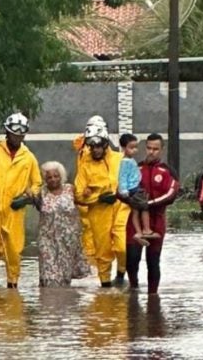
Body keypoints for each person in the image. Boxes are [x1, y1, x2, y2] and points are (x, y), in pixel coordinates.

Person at [0, 112, 42, 288]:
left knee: (13, 251)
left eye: (20, 134)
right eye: (14, 133)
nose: (17, 137)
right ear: (7, 132)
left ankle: (13, 288)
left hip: (14, 211)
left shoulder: (29, 158)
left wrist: (26, 198)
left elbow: (36, 183)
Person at [74, 124, 130, 288]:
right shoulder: (85, 166)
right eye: (92, 146)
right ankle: (105, 287)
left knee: (122, 246)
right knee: (102, 252)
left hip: (121, 209)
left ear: (106, 144)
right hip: (98, 214)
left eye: (99, 146)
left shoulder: (120, 159)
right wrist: (98, 198)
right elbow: (78, 194)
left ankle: (121, 275)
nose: (96, 150)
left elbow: (133, 181)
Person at [125, 133, 180, 295]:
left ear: (161, 150)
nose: (151, 152)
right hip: (134, 220)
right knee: (132, 259)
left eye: (155, 149)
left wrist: (149, 204)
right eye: (149, 148)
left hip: (157, 220)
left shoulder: (167, 171)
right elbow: (121, 189)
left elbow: (172, 193)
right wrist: (132, 201)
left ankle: (153, 296)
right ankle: (133, 289)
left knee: (153, 260)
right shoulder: (135, 168)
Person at [37, 161, 90, 287]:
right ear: (45, 178)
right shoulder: (41, 192)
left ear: (61, 176)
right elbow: (25, 195)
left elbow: (83, 201)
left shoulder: (70, 189)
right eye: (49, 177)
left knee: (64, 275)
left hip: (68, 240)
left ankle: (64, 303)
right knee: (48, 273)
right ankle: (47, 302)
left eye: (56, 176)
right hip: (47, 240)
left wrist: (88, 194)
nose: (53, 179)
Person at [73, 115, 108, 265]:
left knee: (98, 236)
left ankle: (95, 266)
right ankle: (93, 267)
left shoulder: (85, 148)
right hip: (88, 197)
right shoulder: (86, 152)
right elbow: (84, 172)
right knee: (91, 234)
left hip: (96, 198)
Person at [118, 133, 156, 247]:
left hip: (134, 189)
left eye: (136, 147)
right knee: (144, 208)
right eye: (131, 147)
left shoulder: (130, 160)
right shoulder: (125, 162)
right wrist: (123, 189)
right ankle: (146, 229)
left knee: (135, 211)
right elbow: (122, 177)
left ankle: (138, 232)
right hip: (134, 189)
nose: (135, 150)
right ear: (124, 148)